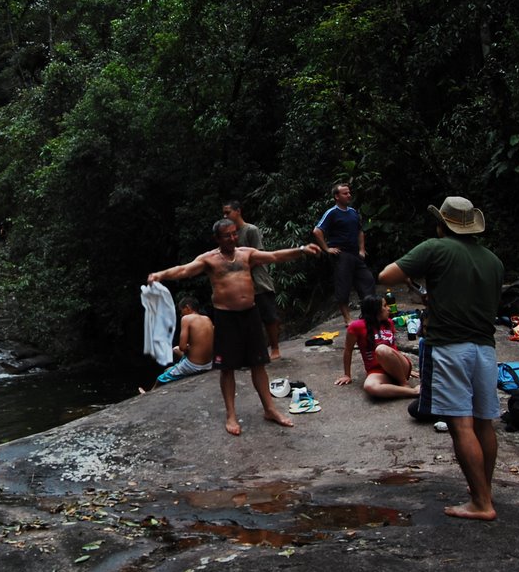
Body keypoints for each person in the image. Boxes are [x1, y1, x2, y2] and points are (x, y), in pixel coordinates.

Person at [378, 196, 504, 521]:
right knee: (483, 422)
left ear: (442, 224)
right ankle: (483, 490)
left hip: (449, 347)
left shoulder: (436, 247)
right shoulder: (493, 261)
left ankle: (481, 503)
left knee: (460, 423)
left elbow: (386, 275)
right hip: (485, 349)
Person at [147, 218, 321, 435]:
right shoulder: (209, 260)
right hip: (226, 318)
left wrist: (302, 249)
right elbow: (184, 270)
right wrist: (160, 275)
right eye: (227, 235)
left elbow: (275, 256)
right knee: (227, 368)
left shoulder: (246, 253)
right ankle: (231, 415)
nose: (232, 238)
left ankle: (270, 409)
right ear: (217, 238)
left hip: (250, 314)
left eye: (234, 234)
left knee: (259, 364)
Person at [222, 200, 281, 359]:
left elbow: (258, 255)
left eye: (228, 212)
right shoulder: (229, 235)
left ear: (238, 211)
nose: (225, 216)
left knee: (269, 316)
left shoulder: (250, 230)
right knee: (248, 321)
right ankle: (255, 351)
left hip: (258, 280)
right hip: (240, 285)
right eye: (224, 213)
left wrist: (242, 268)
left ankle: (275, 348)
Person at [335, 294, 419, 399]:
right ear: (375, 310)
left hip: (398, 366)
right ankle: (413, 392)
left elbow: (393, 348)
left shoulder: (389, 323)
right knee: (369, 386)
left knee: (381, 349)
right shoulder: (356, 327)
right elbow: (348, 350)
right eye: (385, 306)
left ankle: (404, 383)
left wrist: (405, 369)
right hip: (377, 370)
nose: (388, 309)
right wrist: (347, 375)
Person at [313, 183, 375, 324]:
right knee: (343, 286)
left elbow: (360, 231)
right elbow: (317, 231)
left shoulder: (353, 212)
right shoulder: (332, 212)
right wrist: (327, 249)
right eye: (345, 193)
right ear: (336, 196)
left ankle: (368, 314)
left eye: (349, 193)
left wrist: (362, 249)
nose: (349, 195)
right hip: (341, 254)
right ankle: (347, 319)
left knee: (367, 280)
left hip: (355, 253)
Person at [139, 296, 214, 393]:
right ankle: (177, 367)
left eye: (181, 311)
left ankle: (147, 395)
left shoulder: (186, 319)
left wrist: (188, 347)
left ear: (187, 307)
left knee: (160, 379)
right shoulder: (207, 319)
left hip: (195, 365)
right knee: (175, 350)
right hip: (209, 363)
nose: (181, 314)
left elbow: (182, 347)